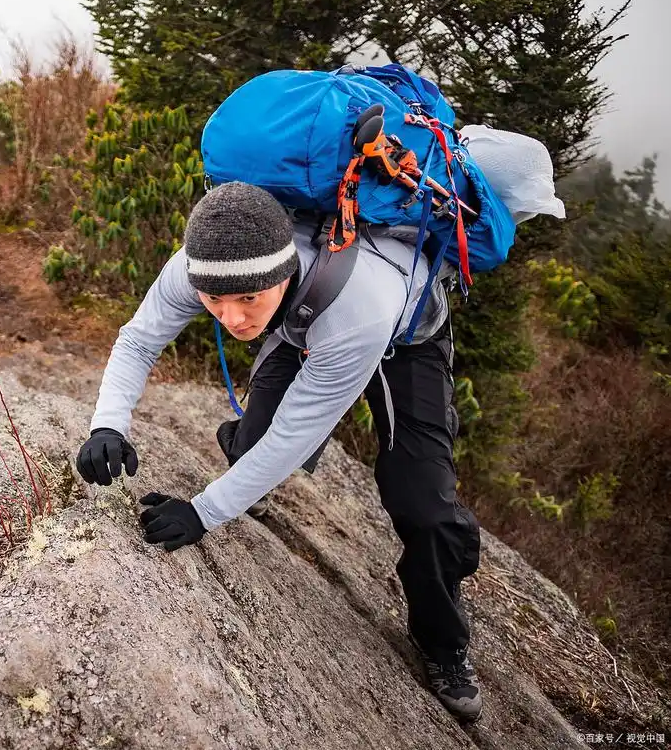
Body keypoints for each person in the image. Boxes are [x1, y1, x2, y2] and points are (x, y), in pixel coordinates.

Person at [74, 181, 483, 722]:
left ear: (284, 272)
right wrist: (107, 425)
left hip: (402, 335)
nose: (233, 318)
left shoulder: (359, 311)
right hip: (299, 321)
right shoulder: (200, 264)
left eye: (248, 298)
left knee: (424, 508)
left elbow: (295, 434)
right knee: (252, 451)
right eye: (214, 301)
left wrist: (204, 511)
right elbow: (138, 339)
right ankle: (241, 451)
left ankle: (444, 643)